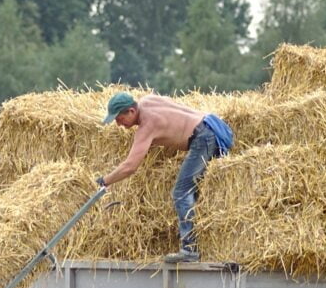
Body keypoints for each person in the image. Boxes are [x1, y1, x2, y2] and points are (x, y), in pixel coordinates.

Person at [99, 90, 235, 263]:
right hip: (211, 123)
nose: (119, 124)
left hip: (203, 138)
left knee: (181, 192)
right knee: (197, 189)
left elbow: (130, 167)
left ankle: (190, 250)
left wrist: (105, 180)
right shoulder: (148, 100)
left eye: (119, 119)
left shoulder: (147, 126)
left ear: (131, 112)